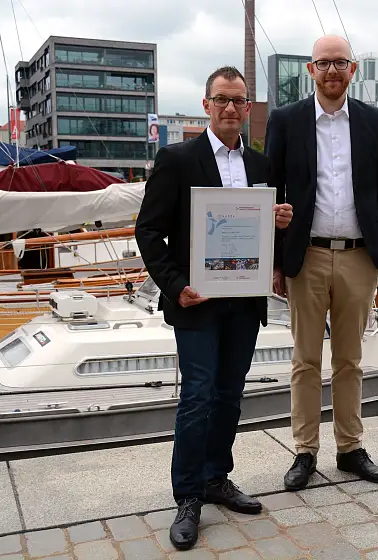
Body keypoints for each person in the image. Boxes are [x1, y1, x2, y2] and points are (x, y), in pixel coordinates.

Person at [135, 65, 293, 550]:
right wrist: (175, 285)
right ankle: (187, 496)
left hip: (244, 302)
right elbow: (148, 231)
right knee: (198, 395)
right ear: (206, 105)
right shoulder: (177, 158)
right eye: (222, 99)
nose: (230, 108)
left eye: (239, 101)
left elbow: (260, 233)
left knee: (229, 394)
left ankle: (215, 477)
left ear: (248, 109)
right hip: (197, 301)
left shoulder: (263, 168)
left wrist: (279, 223)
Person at [265, 35, 378, 491]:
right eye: (323, 63)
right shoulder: (286, 121)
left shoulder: (373, 121)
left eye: (340, 63)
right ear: (310, 70)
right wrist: (277, 261)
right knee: (305, 360)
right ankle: (305, 451)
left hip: (360, 256)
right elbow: (272, 192)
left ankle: (350, 448)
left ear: (353, 70)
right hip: (308, 255)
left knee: (350, 360)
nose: (332, 71)